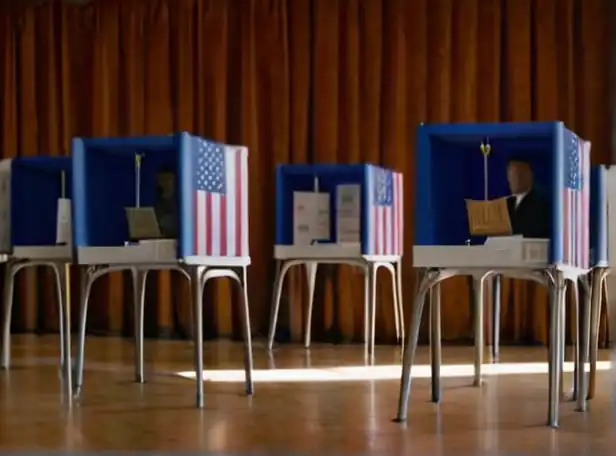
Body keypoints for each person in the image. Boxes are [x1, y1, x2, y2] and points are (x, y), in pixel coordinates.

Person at [506, 156, 550, 238]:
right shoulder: (507, 204)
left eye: (516, 174)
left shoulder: (541, 204)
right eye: (509, 174)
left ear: (529, 176)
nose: (511, 179)